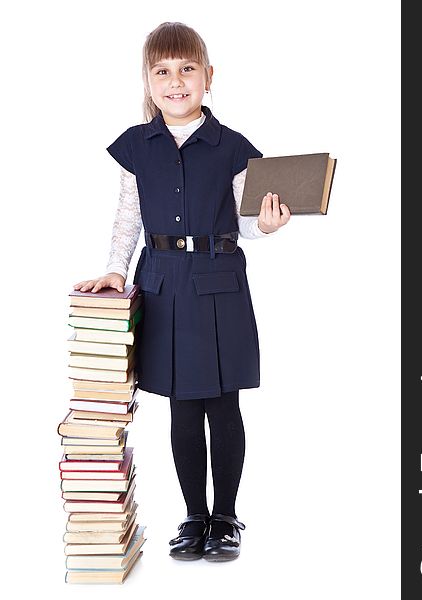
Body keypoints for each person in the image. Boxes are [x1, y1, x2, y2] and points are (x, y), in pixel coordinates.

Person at [73, 21, 291, 562]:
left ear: (208, 77)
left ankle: (227, 517)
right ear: (148, 82)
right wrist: (115, 272)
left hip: (219, 284)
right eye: (163, 72)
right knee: (181, 407)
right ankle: (194, 517)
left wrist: (265, 225)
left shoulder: (233, 147)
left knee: (223, 404)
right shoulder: (136, 147)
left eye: (187, 70)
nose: (176, 81)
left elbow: (243, 222)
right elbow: (128, 218)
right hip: (164, 283)